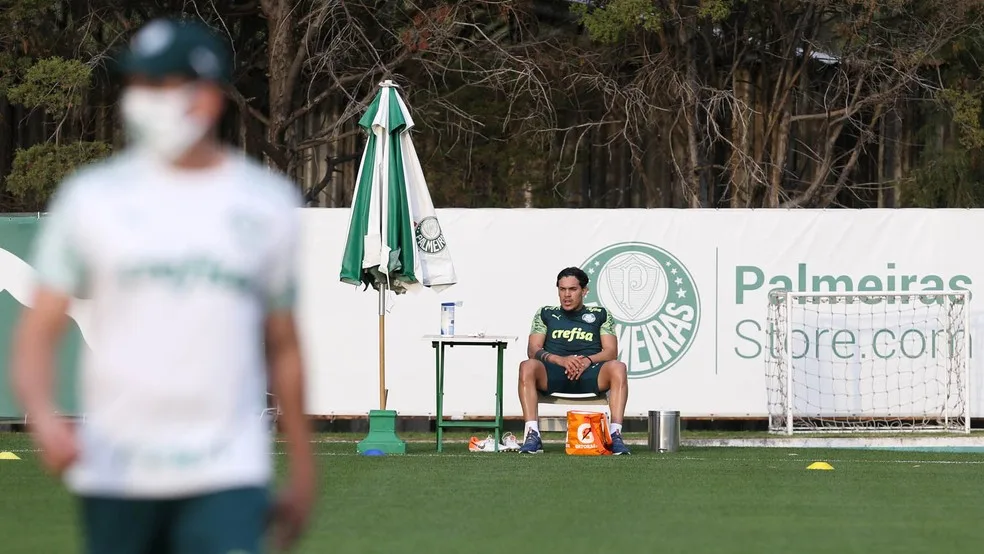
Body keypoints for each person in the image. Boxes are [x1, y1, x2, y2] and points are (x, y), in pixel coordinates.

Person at [8, 17, 315, 554]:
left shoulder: (267, 204)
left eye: (166, 83)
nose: (147, 99)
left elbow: (284, 344)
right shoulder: (90, 199)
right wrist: (43, 414)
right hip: (116, 468)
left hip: (228, 469)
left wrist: (304, 468)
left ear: (210, 96)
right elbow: (39, 326)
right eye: (141, 84)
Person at [517, 266, 630, 455]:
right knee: (527, 366)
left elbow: (611, 351)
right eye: (562, 289)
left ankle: (615, 435)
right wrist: (560, 360)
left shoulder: (601, 314)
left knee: (618, 367)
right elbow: (533, 349)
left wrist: (586, 360)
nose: (566, 295)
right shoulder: (545, 313)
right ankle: (532, 434)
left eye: (573, 289)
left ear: (584, 291)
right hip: (553, 374)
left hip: (591, 373)